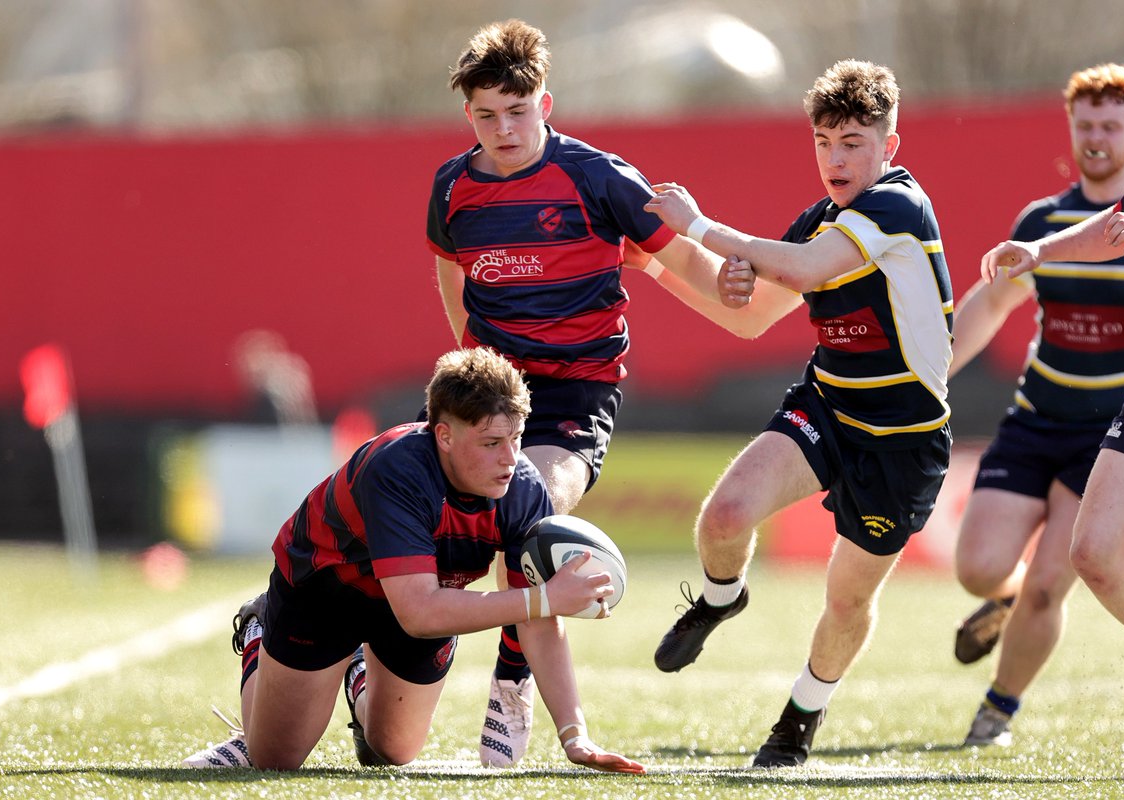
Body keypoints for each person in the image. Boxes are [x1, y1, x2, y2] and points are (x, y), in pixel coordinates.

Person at [426, 18, 773, 768]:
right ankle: (358, 656)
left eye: (517, 111)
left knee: (530, 514)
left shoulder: (599, 178)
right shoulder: (452, 187)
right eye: (486, 115)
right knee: (409, 524)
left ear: (545, 105)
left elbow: (682, 259)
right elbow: (451, 273)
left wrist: (733, 281)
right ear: (468, 115)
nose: (503, 129)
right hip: (490, 393)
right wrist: (473, 368)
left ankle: (512, 686)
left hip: (574, 396)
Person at [645, 59, 954, 768]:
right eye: (823, 142)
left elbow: (805, 271)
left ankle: (800, 717)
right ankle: (721, 597)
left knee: (846, 601)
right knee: (724, 518)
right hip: (828, 408)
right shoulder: (820, 221)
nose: (835, 160)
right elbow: (748, 316)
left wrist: (703, 226)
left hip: (902, 443)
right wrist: (657, 259)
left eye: (852, 142)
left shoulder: (899, 207)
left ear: (889, 146)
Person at [181, 347, 644, 774]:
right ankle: (260, 631)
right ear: (444, 435)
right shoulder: (397, 469)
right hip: (327, 590)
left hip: (422, 596)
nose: (510, 459)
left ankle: (358, 672)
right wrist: (546, 598)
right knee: (274, 759)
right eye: (491, 443)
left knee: (390, 752)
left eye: (517, 438)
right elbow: (421, 612)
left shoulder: (521, 489)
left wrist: (575, 737)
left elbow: (539, 621)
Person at [948, 64, 1124, 748]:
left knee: (1048, 584)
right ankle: (1001, 600)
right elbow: (990, 306)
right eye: (1083, 125)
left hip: (1111, 435)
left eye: (1109, 126)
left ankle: (997, 711)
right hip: (1035, 419)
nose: (1094, 139)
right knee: (978, 568)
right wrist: (928, 375)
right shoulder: (1044, 221)